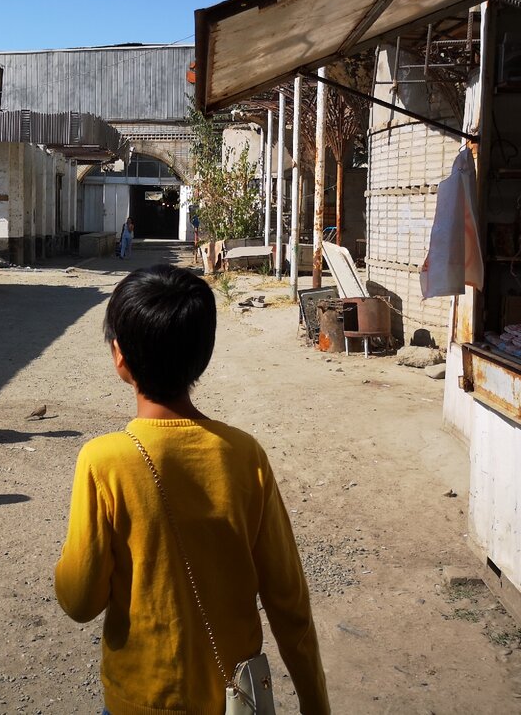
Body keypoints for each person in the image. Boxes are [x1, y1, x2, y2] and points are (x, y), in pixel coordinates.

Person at [55, 265, 330, 715]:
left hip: (139, 699)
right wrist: (315, 702)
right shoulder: (245, 455)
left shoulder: (104, 460)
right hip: (233, 698)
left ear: (118, 355)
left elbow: (80, 600)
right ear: (204, 354)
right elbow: (288, 597)